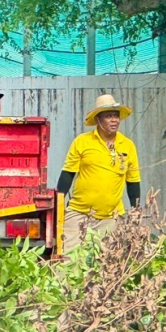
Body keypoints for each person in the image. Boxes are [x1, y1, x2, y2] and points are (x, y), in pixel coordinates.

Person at [56, 93, 141, 252]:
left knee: (105, 266)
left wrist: (136, 210)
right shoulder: (82, 142)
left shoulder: (128, 146)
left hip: (111, 217)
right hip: (78, 213)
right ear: (98, 120)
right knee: (68, 262)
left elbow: (133, 181)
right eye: (108, 116)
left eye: (116, 116)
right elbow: (67, 174)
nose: (114, 120)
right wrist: (59, 206)